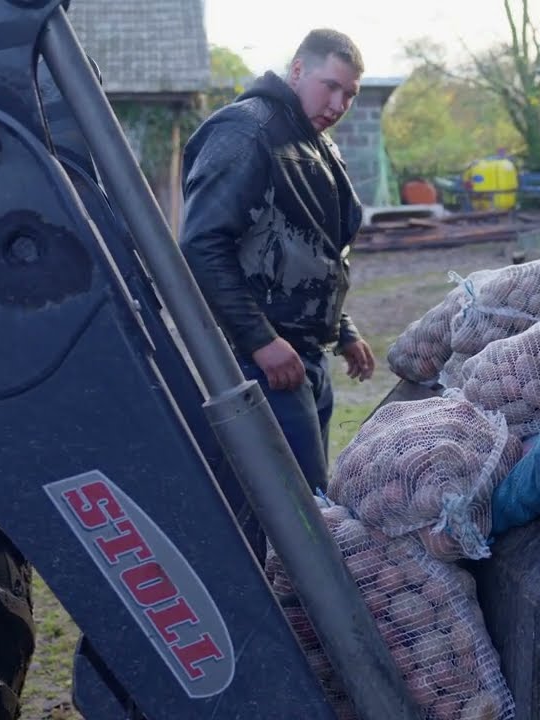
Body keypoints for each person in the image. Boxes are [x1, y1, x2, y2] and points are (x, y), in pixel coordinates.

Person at [179, 28, 375, 494]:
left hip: (304, 356)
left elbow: (313, 249)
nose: (338, 104)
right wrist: (260, 341)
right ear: (298, 70)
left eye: (349, 94)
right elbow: (202, 244)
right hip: (259, 363)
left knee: (311, 498)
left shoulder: (318, 145)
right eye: (330, 86)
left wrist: (342, 328)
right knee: (296, 510)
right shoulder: (247, 131)